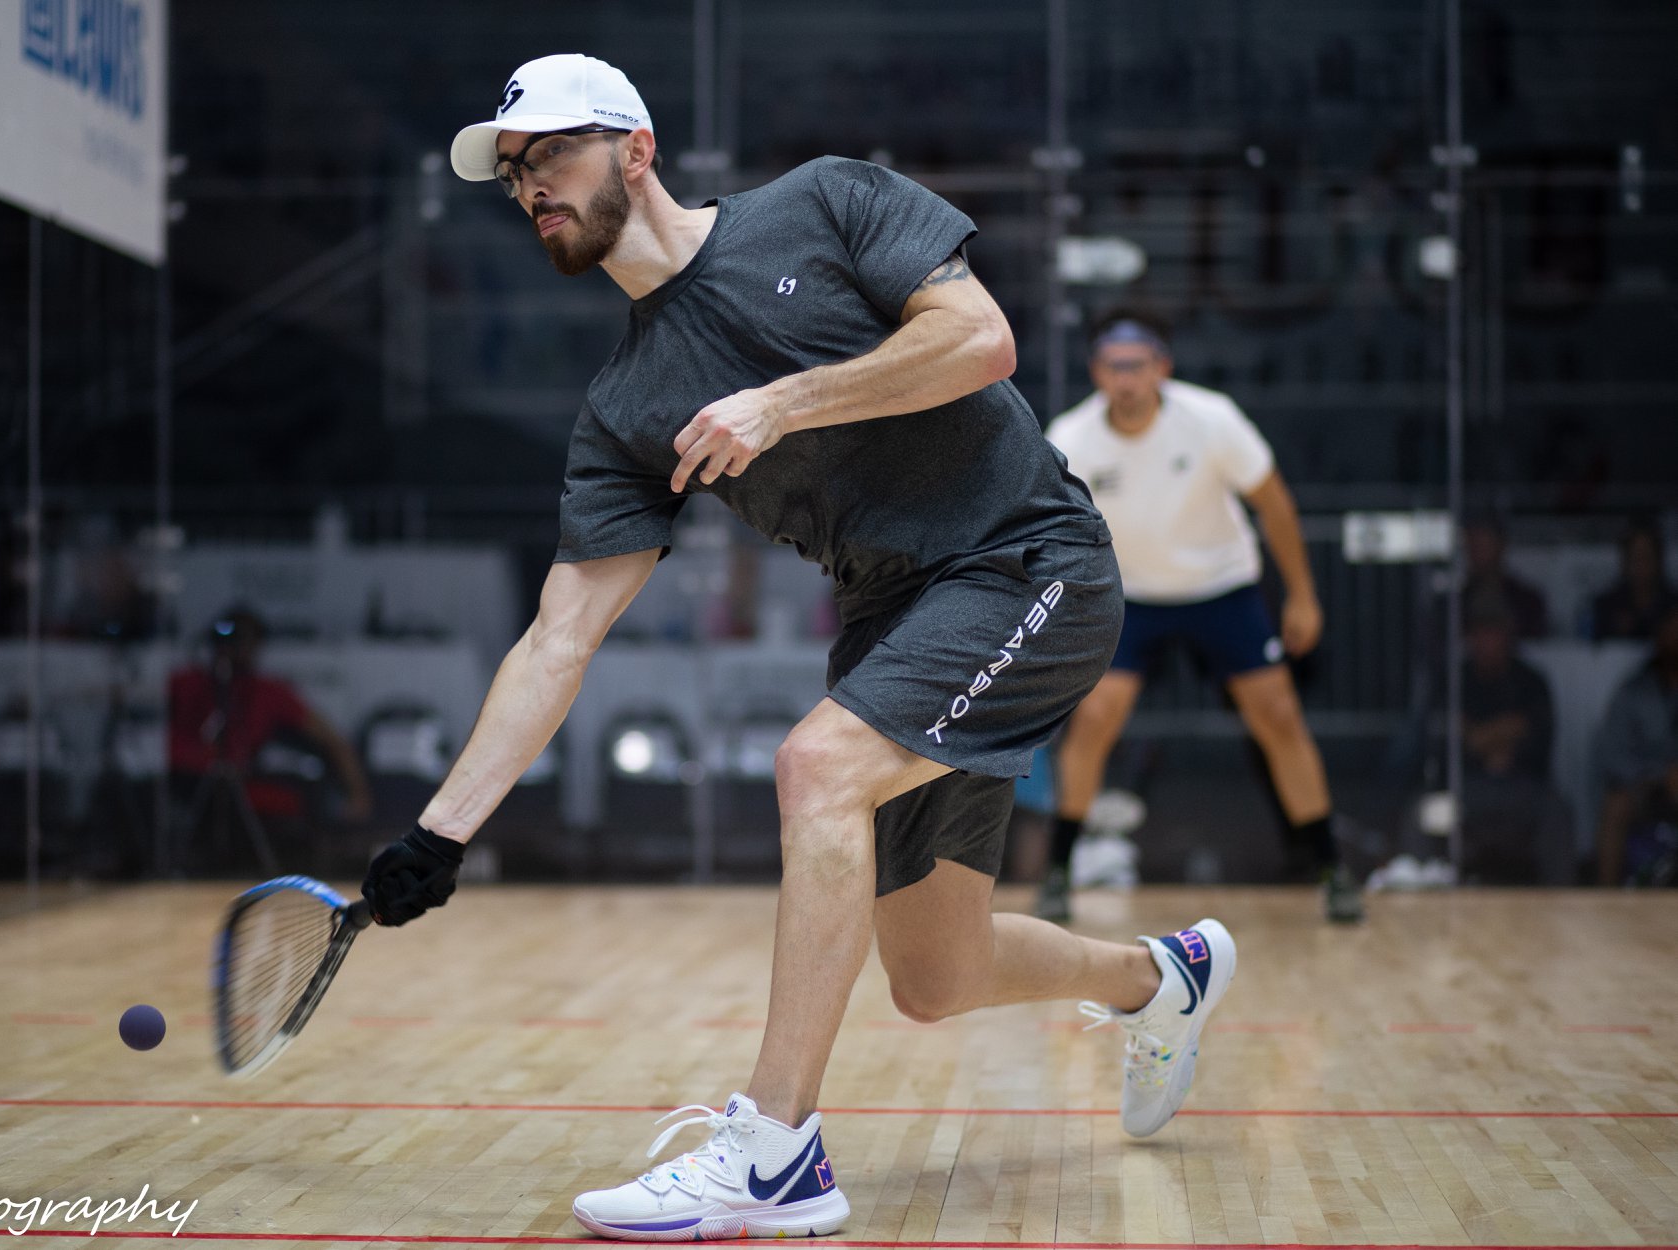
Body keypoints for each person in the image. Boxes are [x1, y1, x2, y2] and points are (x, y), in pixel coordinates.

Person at [358, 54, 1238, 1244]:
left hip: (1031, 559)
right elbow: (559, 635)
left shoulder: (824, 203)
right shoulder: (625, 407)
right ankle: (1160, 976)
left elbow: (981, 340)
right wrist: (439, 831)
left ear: (635, 148)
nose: (529, 189)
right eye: (512, 174)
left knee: (816, 767)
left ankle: (775, 1153)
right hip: (894, 615)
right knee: (934, 975)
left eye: (549, 155)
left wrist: (783, 401)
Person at [1037, 309, 1362, 923]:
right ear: (1096, 371)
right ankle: (1059, 873)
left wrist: (1302, 595)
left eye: (1137, 365)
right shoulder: (1072, 437)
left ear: (1163, 367)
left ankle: (1331, 870)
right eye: (1113, 366)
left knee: (1279, 716)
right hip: (1129, 597)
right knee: (1096, 719)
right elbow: (1052, 531)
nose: (1126, 378)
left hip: (1223, 589)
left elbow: (1275, 503)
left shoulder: (1212, 420)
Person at [167, 606, 371, 848]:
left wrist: (358, 795)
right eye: (228, 640)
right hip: (181, 780)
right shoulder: (186, 683)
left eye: (243, 641)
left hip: (236, 784)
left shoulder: (267, 692)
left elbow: (333, 739)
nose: (233, 649)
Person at [1458, 596, 1572, 883]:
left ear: (1507, 634)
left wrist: (1480, 735)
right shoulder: (1455, 680)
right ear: (1469, 636)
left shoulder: (1530, 681)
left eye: (1494, 631)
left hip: (1522, 786)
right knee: (1422, 813)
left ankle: (1561, 904)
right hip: (1468, 788)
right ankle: (1420, 903)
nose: (1487, 640)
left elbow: (1541, 743)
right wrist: (1506, 729)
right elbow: (1446, 741)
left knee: (1557, 811)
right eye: (1480, 632)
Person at [1593, 600, 1678, 885]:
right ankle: (1607, 899)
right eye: (1670, 628)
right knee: (1615, 805)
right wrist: (1659, 776)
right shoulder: (1634, 690)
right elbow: (1611, 753)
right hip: (1647, 789)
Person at [1462, 512, 1548, 640]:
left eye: (1484, 547)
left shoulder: (1528, 601)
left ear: (1501, 547)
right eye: (1473, 548)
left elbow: (1536, 644)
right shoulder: (1455, 604)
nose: (1478, 555)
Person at [1588, 517, 1675, 642]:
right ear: (1624, 561)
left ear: (1659, 560)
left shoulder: (1673, 606)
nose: (1641, 566)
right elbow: (1595, 651)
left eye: (1646, 557)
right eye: (1635, 558)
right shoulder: (1606, 605)